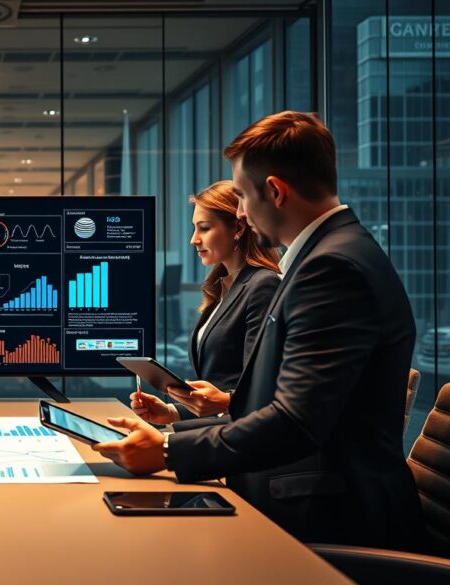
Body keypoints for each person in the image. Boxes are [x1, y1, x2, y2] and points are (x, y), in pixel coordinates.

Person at [92, 111, 423, 551]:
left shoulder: (332, 268)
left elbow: (295, 421)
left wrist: (170, 451)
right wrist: (177, 428)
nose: (242, 212)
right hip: (304, 495)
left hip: (328, 520)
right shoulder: (329, 256)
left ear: (275, 191)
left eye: (244, 196)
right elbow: (278, 403)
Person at [132, 181, 280, 425]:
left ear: (238, 228)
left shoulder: (263, 285)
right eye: (194, 229)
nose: (194, 240)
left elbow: (258, 390)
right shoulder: (222, 288)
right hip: (219, 431)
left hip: (242, 438)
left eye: (204, 228)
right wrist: (172, 412)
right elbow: (220, 391)